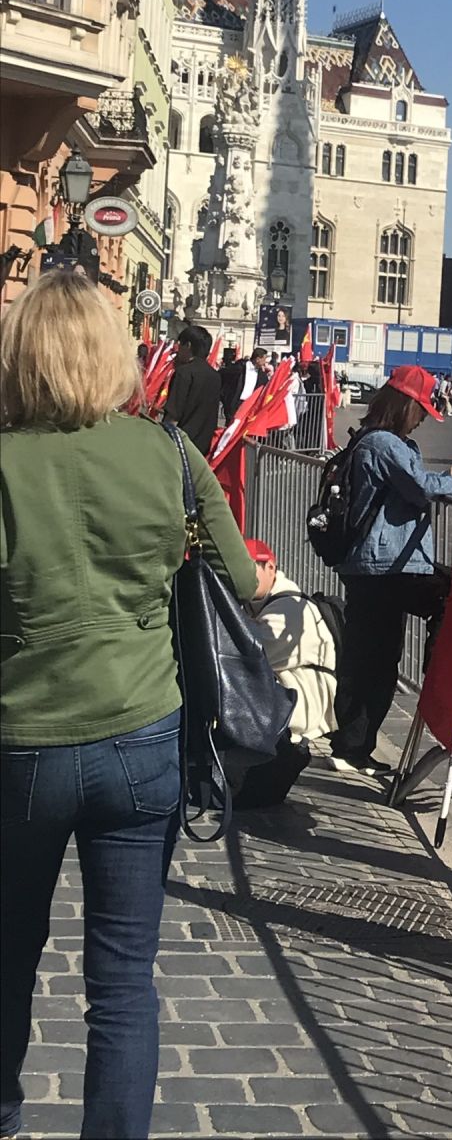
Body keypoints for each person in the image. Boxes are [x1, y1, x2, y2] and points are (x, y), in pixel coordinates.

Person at [0, 273, 258, 1140]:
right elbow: (244, 580)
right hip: (141, 737)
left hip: (21, 743)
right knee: (121, 981)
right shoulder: (170, 455)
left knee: (5, 959)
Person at [328, 365, 452, 775]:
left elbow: (412, 482)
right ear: (405, 406)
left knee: (371, 655)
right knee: (376, 658)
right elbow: (420, 487)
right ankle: (355, 746)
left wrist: (444, 477)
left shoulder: (375, 442)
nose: (421, 420)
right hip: (384, 566)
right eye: (420, 411)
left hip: (379, 564)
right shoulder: (384, 444)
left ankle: (353, 745)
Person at [232, 542, 340, 809]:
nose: (241, 578)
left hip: (300, 701)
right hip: (287, 692)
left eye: (249, 569)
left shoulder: (288, 608)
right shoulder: (260, 601)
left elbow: (248, 655)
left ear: (270, 566)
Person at [161, 322, 221, 454]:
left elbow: (174, 414)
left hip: (180, 444)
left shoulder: (184, 373)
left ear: (188, 345)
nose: (177, 350)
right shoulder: (215, 376)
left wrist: (163, 441)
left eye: (180, 344)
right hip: (203, 445)